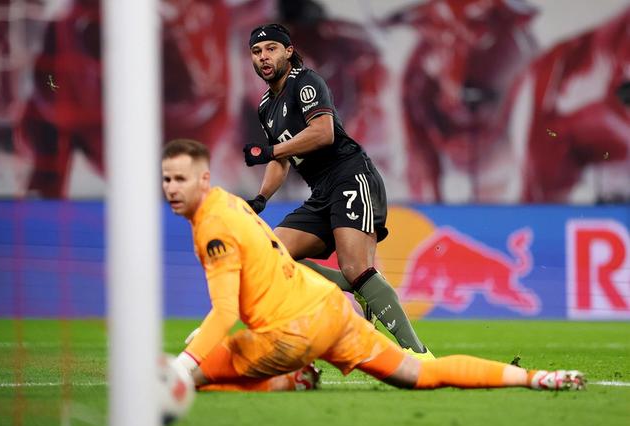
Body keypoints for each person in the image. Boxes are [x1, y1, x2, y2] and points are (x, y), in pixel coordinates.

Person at [162, 138, 585, 393]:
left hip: (292, 332)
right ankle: (536, 378)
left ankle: (285, 378)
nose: (171, 189)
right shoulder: (231, 204)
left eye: (180, 179)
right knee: (419, 375)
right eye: (166, 179)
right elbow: (263, 265)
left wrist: (185, 363)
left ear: (203, 180)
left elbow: (226, 312)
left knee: (189, 379)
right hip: (330, 312)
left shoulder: (213, 228)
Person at [241, 23, 433, 359]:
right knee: (273, 255)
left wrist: (270, 151)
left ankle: (419, 355)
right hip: (320, 192)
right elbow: (281, 160)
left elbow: (323, 133)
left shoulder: (305, 82)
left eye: (271, 49)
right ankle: (361, 288)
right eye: (257, 52)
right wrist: (260, 199)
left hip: (351, 176)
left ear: (288, 51)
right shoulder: (265, 106)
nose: (263, 57)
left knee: (355, 267)